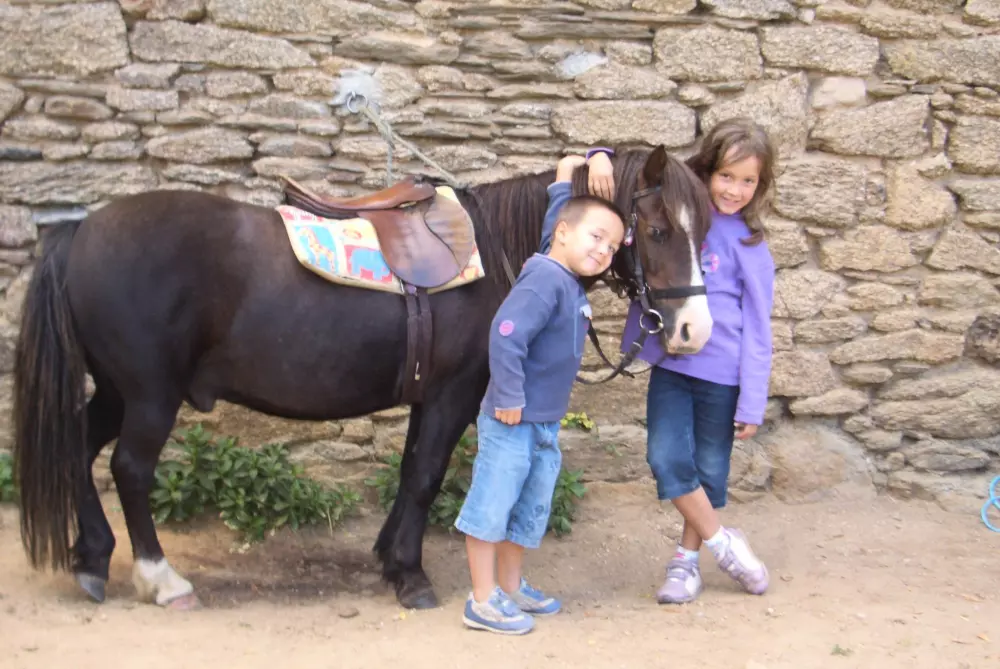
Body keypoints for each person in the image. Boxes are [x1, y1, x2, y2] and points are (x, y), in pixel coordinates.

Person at [584, 117, 777, 604]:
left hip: (724, 376)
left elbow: (758, 329)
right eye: (726, 176)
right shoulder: (678, 215)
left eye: (748, 180)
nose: (735, 190)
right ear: (706, 172)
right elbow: (630, 183)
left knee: (709, 471)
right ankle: (724, 543)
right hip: (673, 368)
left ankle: (686, 562)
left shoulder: (753, 247)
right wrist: (598, 154)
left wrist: (752, 401)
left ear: (761, 185)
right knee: (666, 460)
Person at [454, 155, 626, 635]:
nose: (604, 251)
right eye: (597, 237)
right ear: (567, 236)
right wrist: (508, 396)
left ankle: (510, 588)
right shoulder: (547, 278)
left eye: (612, 247)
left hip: (543, 424)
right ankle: (482, 600)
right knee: (493, 507)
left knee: (526, 512)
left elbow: (560, 220)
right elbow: (506, 335)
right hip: (513, 421)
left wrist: (569, 171)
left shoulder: (562, 269)